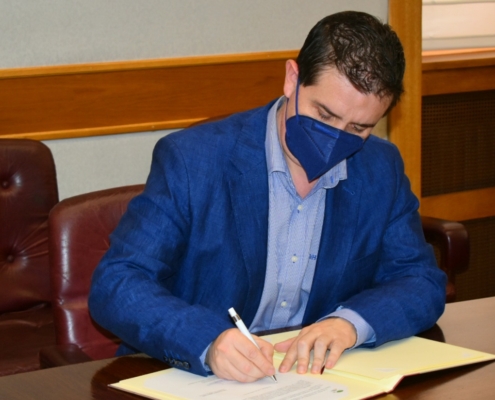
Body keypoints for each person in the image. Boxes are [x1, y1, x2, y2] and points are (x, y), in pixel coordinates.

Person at [89, 10, 446, 383]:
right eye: (324, 116)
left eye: (358, 128)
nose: (336, 139)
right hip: (200, 382)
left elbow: (420, 280)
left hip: (315, 382)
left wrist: (349, 324)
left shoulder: (379, 167)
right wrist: (207, 341)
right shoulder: (195, 159)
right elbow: (117, 282)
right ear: (292, 79)